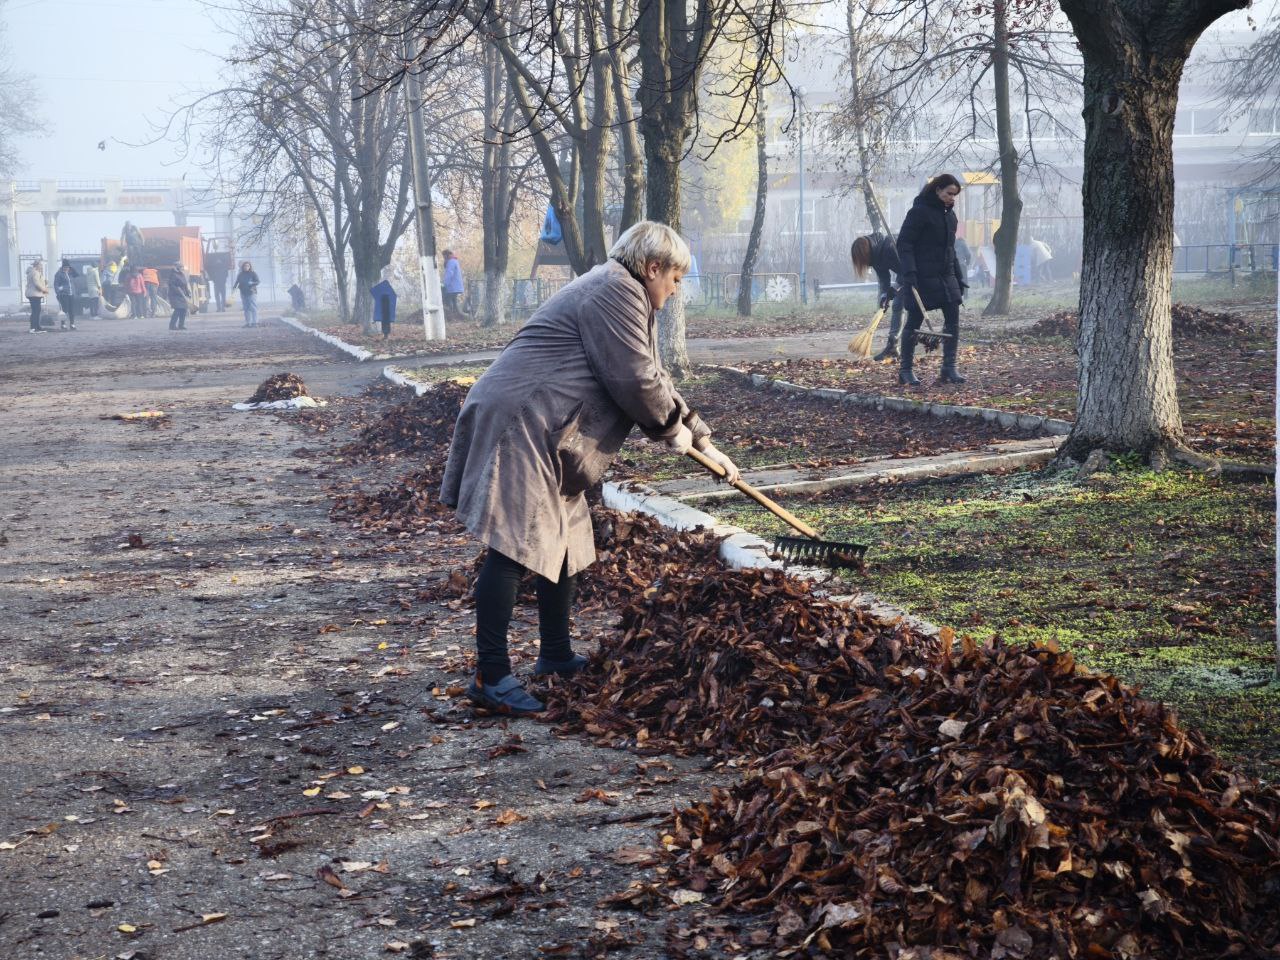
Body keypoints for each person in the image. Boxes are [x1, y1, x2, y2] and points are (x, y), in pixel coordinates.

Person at [440, 220, 742, 715]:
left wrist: (704, 440)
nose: (676, 288)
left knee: (562, 539)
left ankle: (555, 656)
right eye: (676, 278)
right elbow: (635, 379)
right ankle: (489, 674)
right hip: (523, 421)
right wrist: (672, 430)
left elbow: (652, 375)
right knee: (514, 544)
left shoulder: (622, 291)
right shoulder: (614, 291)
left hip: (549, 426)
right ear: (652, 268)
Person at [897, 173, 968, 386]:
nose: (951, 198)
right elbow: (904, 244)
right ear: (937, 190)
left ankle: (949, 367)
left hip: (946, 276)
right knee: (913, 322)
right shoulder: (918, 213)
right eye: (948, 193)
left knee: (953, 320)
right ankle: (906, 370)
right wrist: (909, 273)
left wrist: (959, 276)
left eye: (955, 195)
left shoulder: (950, 217)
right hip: (920, 277)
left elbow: (950, 249)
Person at [850, 232, 906, 362]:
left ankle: (895, 345)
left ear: (865, 253)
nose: (864, 263)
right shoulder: (874, 256)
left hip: (916, 268)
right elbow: (883, 277)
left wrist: (896, 287)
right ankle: (893, 346)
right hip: (903, 273)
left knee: (899, 304)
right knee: (898, 304)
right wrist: (884, 296)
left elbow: (906, 269)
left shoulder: (890, 247)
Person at [25, 258, 49, 333]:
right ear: (37, 265)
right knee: (36, 311)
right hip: (34, 294)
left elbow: (38, 282)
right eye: (40, 265)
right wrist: (44, 290)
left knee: (36, 310)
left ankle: (37, 327)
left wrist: (45, 283)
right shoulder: (35, 272)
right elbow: (36, 283)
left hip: (33, 294)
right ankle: (33, 328)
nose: (41, 266)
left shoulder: (32, 272)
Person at [54, 260, 79, 330]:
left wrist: (71, 268)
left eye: (68, 267)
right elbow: (56, 284)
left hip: (71, 294)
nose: (66, 268)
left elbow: (77, 274)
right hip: (64, 294)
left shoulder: (70, 273)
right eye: (65, 267)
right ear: (62, 267)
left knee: (72, 310)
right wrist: (58, 293)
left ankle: (72, 324)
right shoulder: (59, 274)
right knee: (64, 310)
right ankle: (63, 324)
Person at [370, 272, 396, 339]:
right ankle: (386, 335)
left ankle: (385, 335)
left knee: (385, 323)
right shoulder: (388, 296)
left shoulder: (383, 297)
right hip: (386, 314)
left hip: (385, 314)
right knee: (385, 323)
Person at [234, 261, 260, 327]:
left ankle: (255, 322)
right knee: (246, 308)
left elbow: (258, 281)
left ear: (250, 267)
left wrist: (252, 283)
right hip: (243, 293)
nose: (246, 267)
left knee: (253, 307)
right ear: (243, 267)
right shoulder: (240, 274)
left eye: (248, 266)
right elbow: (237, 282)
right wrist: (234, 288)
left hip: (251, 292)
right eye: (245, 266)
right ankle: (248, 323)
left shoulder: (253, 273)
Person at [442, 249, 465, 322]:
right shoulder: (454, 261)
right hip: (456, 286)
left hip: (452, 286)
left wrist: (445, 284)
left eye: (444, 256)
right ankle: (459, 317)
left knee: (448, 301)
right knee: (454, 302)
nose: (443, 258)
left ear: (447, 255)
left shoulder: (451, 262)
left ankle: (451, 318)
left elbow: (449, 274)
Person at [168, 262, 191, 330]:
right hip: (175, 295)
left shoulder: (182, 274)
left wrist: (187, 292)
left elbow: (185, 285)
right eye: (181, 267)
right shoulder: (173, 275)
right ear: (177, 267)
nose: (182, 268)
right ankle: (172, 326)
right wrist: (178, 292)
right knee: (178, 309)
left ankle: (181, 325)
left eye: (182, 267)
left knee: (183, 310)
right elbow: (172, 285)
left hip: (182, 294)